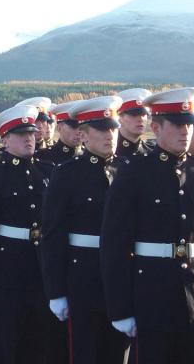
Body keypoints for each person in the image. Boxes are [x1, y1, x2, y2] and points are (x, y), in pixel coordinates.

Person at [100, 87, 194, 364]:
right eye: (178, 125)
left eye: (189, 125)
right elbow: (114, 245)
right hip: (152, 295)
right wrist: (120, 309)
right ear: (156, 127)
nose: (186, 132)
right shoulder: (134, 172)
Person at [42, 96, 130, 364]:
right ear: (83, 134)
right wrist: (56, 291)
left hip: (122, 274)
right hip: (83, 276)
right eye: (102, 130)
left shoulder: (128, 171)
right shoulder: (67, 173)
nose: (110, 135)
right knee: (86, 350)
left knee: (119, 350)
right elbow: (53, 235)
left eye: (113, 128)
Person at [0, 105, 55, 364]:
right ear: (5, 140)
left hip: (40, 265)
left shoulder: (47, 171)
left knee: (40, 337)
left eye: (31, 133)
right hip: (8, 267)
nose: (29, 138)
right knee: (8, 338)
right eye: (21, 134)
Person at [115, 88, 153, 157]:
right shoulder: (110, 153)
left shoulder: (152, 154)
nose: (140, 119)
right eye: (134, 114)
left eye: (143, 114)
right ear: (119, 118)